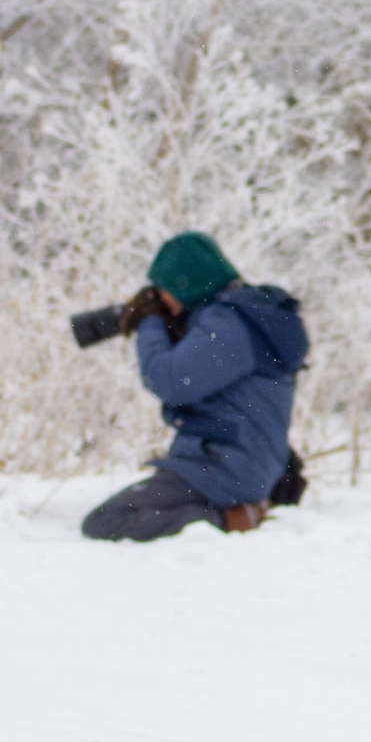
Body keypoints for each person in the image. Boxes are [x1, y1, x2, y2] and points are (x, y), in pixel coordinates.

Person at [80, 233, 309, 543]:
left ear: (185, 285)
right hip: (243, 462)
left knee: (107, 521)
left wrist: (149, 322)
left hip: (225, 467)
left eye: (164, 291)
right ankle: (243, 506)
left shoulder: (228, 324)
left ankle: (232, 518)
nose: (162, 300)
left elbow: (171, 381)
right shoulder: (247, 315)